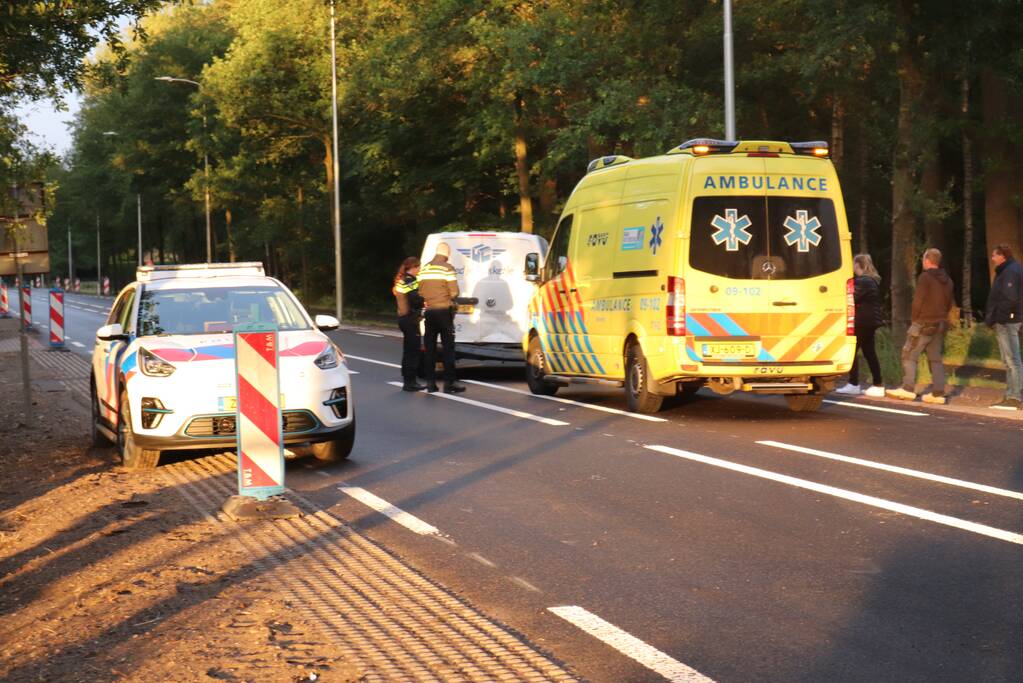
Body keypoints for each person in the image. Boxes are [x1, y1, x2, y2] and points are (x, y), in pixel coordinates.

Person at [887, 248, 954, 404]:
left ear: (927, 260)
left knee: (909, 354)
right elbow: (950, 304)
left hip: (924, 322)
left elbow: (918, 301)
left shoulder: (925, 278)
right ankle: (938, 393)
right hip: (940, 324)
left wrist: (915, 320)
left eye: (923, 259)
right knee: (935, 359)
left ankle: (908, 388)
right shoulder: (949, 281)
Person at [417, 242, 466, 393]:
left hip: (429, 312)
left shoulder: (424, 269)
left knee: (430, 348)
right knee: (448, 349)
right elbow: (454, 292)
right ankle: (449, 383)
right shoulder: (447, 268)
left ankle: (431, 384)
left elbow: (419, 292)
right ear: (447, 254)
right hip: (444, 311)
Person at [836, 254, 885, 397]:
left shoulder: (863, 281)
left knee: (851, 351)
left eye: (853, 265)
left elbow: (851, 297)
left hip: (862, 322)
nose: (852, 268)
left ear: (858, 265)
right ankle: (877, 384)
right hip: (869, 322)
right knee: (869, 353)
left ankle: (853, 383)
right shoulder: (872, 280)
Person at [984, 244, 1023, 410]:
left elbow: (1010, 298)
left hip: (1008, 321)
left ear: (1002, 256)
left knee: (1012, 359)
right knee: (1009, 359)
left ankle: (1015, 396)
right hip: (1009, 320)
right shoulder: (1011, 269)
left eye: (994, 255)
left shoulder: (1009, 272)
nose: (992, 259)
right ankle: (1011, 394)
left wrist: (1000, 319)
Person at [393, 256, 426, 392]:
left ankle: (408, 380)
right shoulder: (409, 281)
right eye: (418, 267)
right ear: (413, 267)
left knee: (408, 351)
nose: (419, 270)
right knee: (413, 351)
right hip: (410, 319)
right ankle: (410, 382)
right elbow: (415, 299)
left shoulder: (402, 280)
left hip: (404, 318)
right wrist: (425, 299)